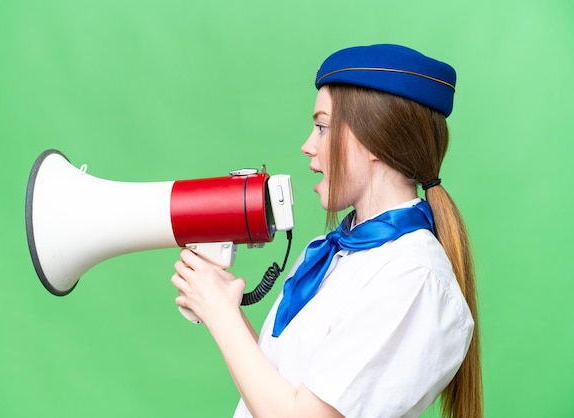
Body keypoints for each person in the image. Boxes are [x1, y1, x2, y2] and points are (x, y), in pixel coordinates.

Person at [171, 44, 483, 418]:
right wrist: (225, 309)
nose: (307, 146)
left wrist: (219, 313)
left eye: (322, 127)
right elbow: (282, 394)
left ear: (373, 139)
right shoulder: (330, 253)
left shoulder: (413, 278)